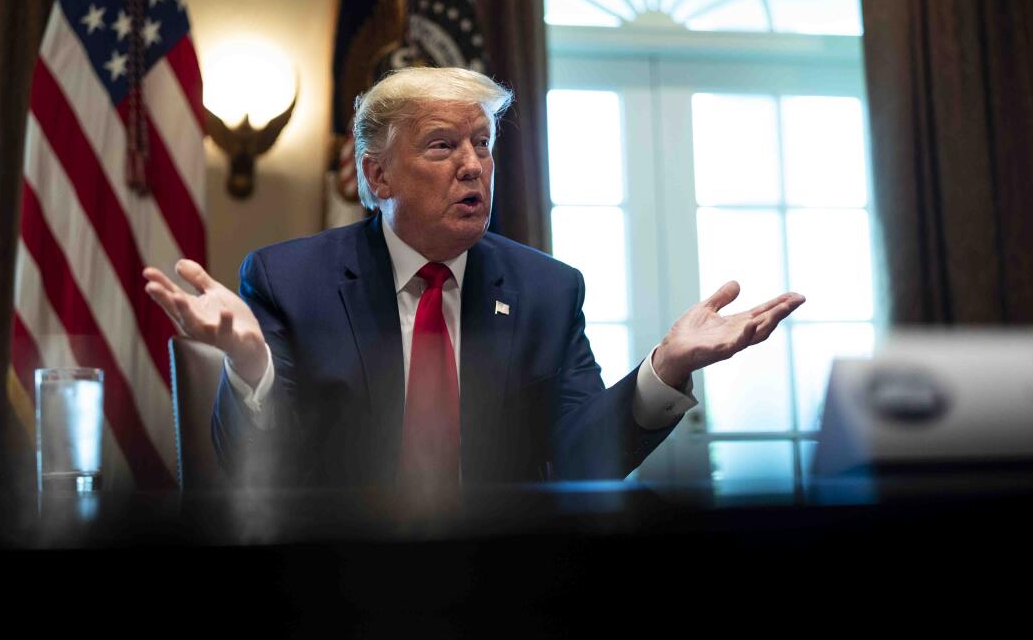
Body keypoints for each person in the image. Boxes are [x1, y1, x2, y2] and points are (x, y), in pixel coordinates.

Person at [143, 67, 804, 489]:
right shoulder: (290, 280)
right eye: (442, 146)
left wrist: (664, 368)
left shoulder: (547, 289)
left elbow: (582, 459)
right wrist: (251, 363)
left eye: (482, 145)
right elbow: (262, 470)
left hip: (503, 581)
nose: (473, 167)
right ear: (377, 176)